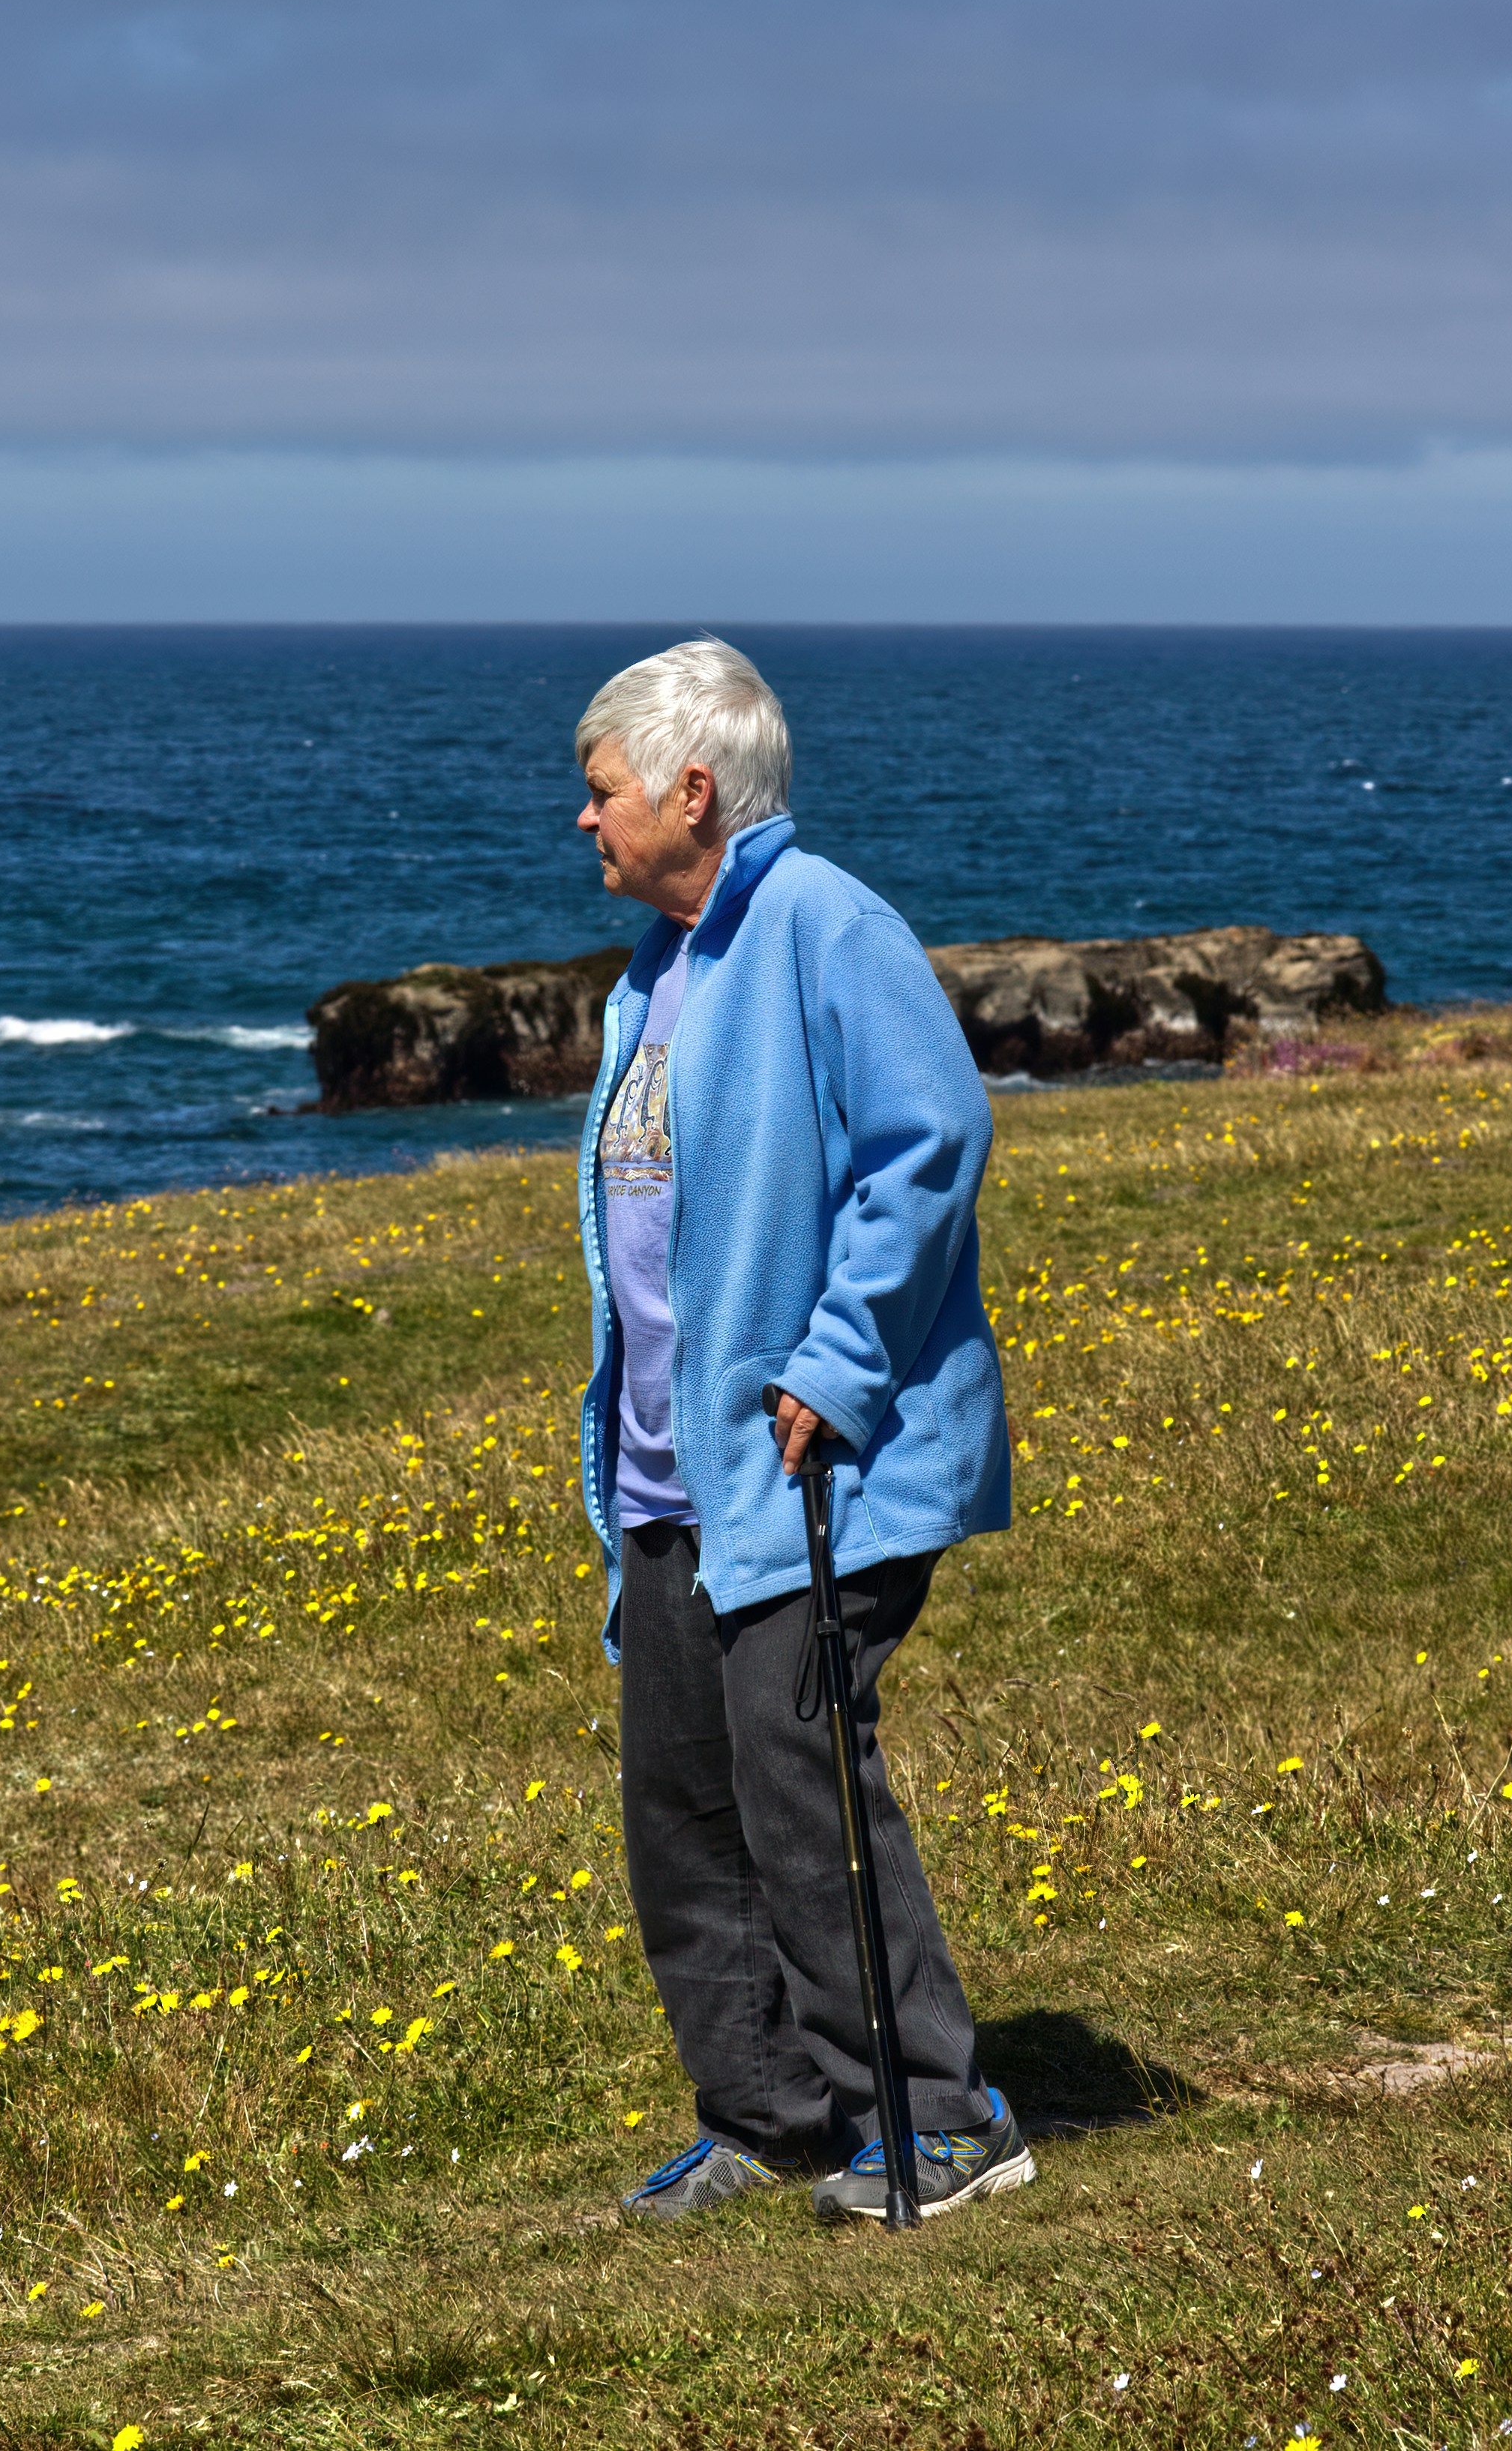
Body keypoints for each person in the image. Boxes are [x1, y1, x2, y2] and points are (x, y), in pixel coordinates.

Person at [567, 637, 1030, 2226]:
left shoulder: (821, 920)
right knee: (685, 1797)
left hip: (813, 1463)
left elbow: (930, 1142)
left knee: (803, 1775)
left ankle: (941, 2112)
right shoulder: (660, 968)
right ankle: (769, 2109)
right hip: (675, 1474)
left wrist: (834, 1368)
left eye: (603, 788)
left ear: (693, 791)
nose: (587, 819)